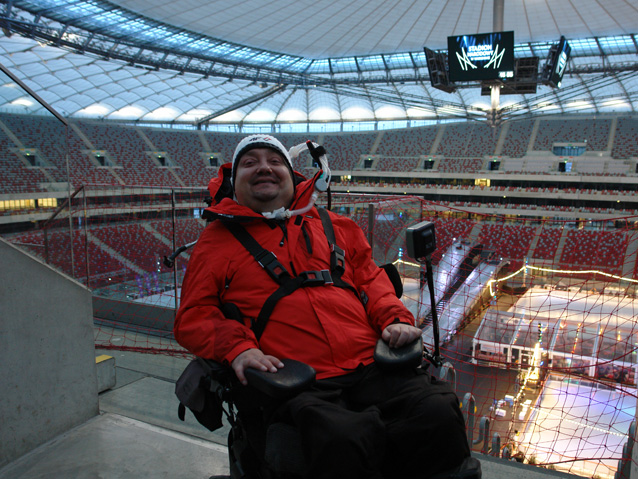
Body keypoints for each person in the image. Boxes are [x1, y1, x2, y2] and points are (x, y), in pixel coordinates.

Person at [174, 134, 478, 479]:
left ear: (292, 176)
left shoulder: (338, 226)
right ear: (233, 180)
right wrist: (238, 348)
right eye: (250, 162)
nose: (264, 168)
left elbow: (371, 280)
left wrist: (393, 317)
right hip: (296, 378)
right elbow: (193, 317)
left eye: (274, 161)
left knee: (437, 412)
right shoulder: (215, 243)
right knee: (341, 437)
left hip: (371, 363)